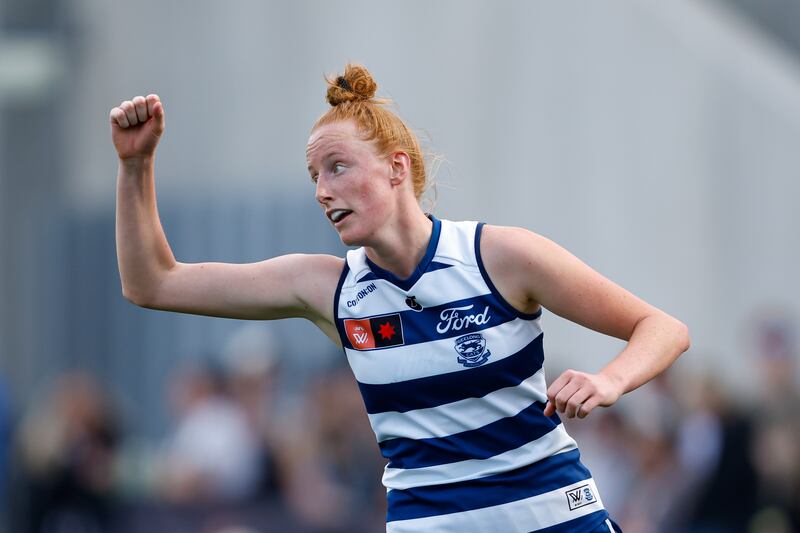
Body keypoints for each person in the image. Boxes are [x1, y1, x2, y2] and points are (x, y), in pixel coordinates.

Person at [110, 63, 690, 532]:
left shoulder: (499, 257)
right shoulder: (327, 288)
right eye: (314, 175)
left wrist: (608, 380)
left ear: (395, 168)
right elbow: (152, 283)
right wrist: (136, 166)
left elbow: (662, 327)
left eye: (337, 168)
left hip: (555, 519)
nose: (322, 191)